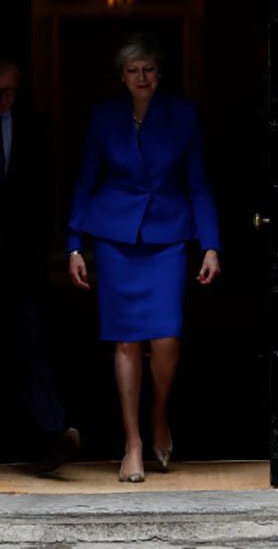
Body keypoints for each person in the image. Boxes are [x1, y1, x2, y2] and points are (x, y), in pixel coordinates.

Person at [66, 34, 221, 483]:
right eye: (133, 71)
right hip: (114, 239)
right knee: (127, 341)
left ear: (159, 72)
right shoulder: (102, 117)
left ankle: (159, 413)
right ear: (122, 76)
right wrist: (74, 243)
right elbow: (84, 182)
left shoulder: (183, 115)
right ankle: (132, 442)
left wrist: (210, 243)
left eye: (148, 69)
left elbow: (199, 184)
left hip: (170, 236)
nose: (142, 78)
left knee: (167, 336)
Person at [0, 59, 79, 473]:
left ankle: (54, 433)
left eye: (11, 92)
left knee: (29, 345)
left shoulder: (33, 127)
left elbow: (44, 191)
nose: (4, 100)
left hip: (21, 265)